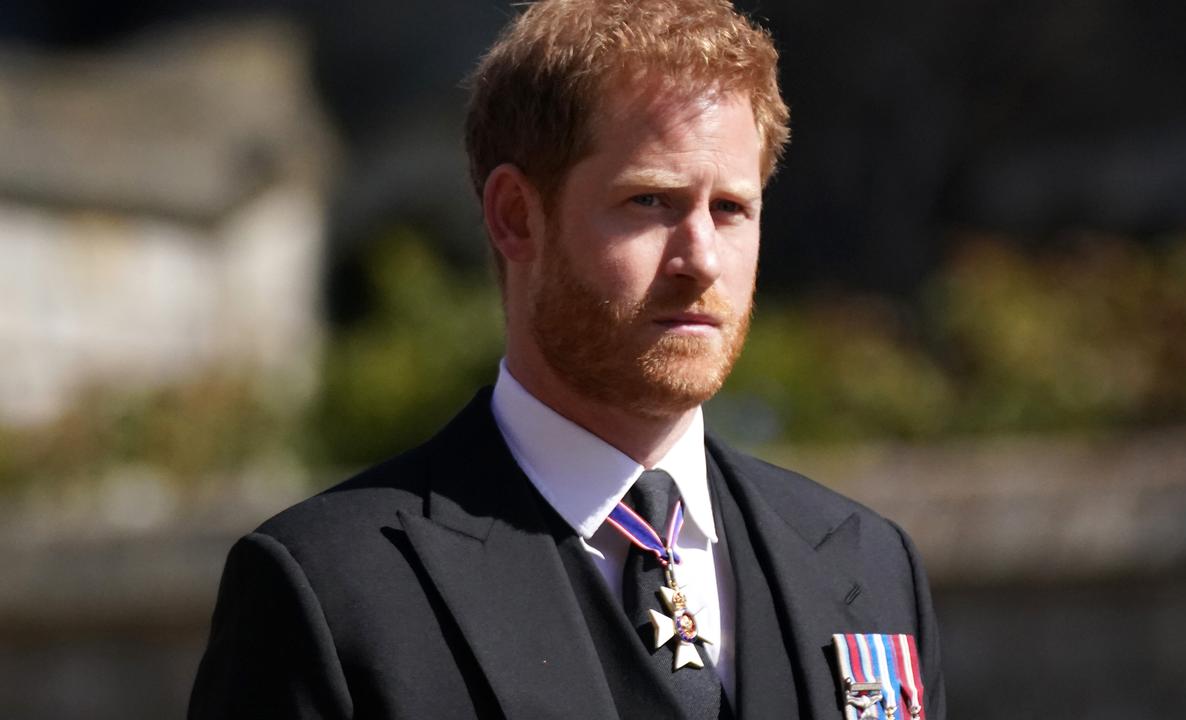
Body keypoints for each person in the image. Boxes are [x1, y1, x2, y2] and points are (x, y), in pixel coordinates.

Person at [189, 1, 946, 718]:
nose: (701, 260)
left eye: (730, 209)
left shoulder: (869, 569)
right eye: (650, 202)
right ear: (516, 216)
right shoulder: (331, 589)